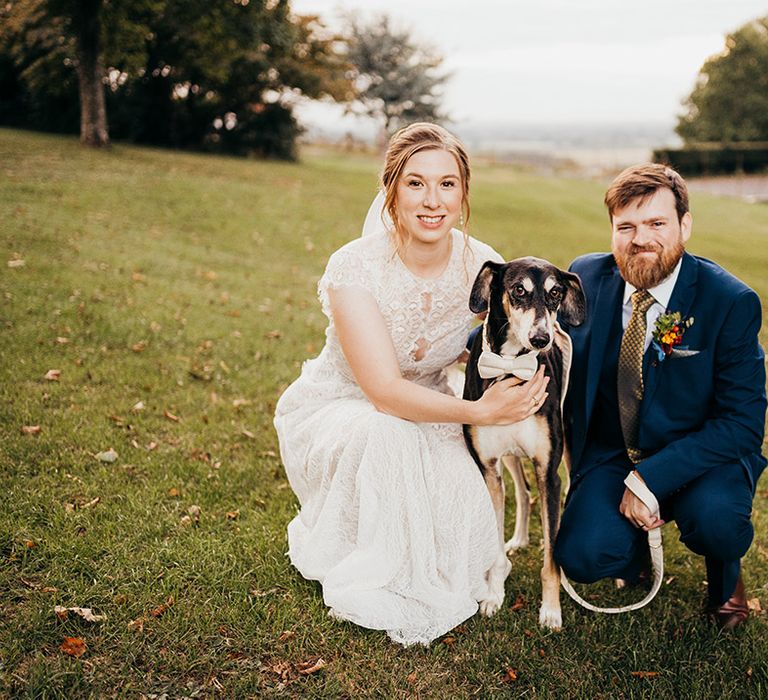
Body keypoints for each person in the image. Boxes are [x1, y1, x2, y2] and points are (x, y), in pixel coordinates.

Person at [274, 123, 549, 646]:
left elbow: (496, 342)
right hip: (349, 408)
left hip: (437, 405)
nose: (433, 200)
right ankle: (370, 563)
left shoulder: (484, 265)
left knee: (462, 516)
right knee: (390, 435)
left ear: (464, 193)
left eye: (447, 184)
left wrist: (524, 369)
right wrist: (482, 413)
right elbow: (383, 392)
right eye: (416, 183)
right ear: (391, 189)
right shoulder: (354, 267)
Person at [554, 163, 767, 630]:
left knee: (717, 522)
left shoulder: (729, 301)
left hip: (702, 455)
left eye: (656, 224)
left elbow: (744, 426)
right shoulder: (585, 276)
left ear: (684, 225)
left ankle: (725, 574)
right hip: (614, 451)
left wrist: (650, 479)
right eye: (625, 226)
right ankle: (630, 556)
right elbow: (543, 338)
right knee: (583, 555)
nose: (640, 238)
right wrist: (479, 353)